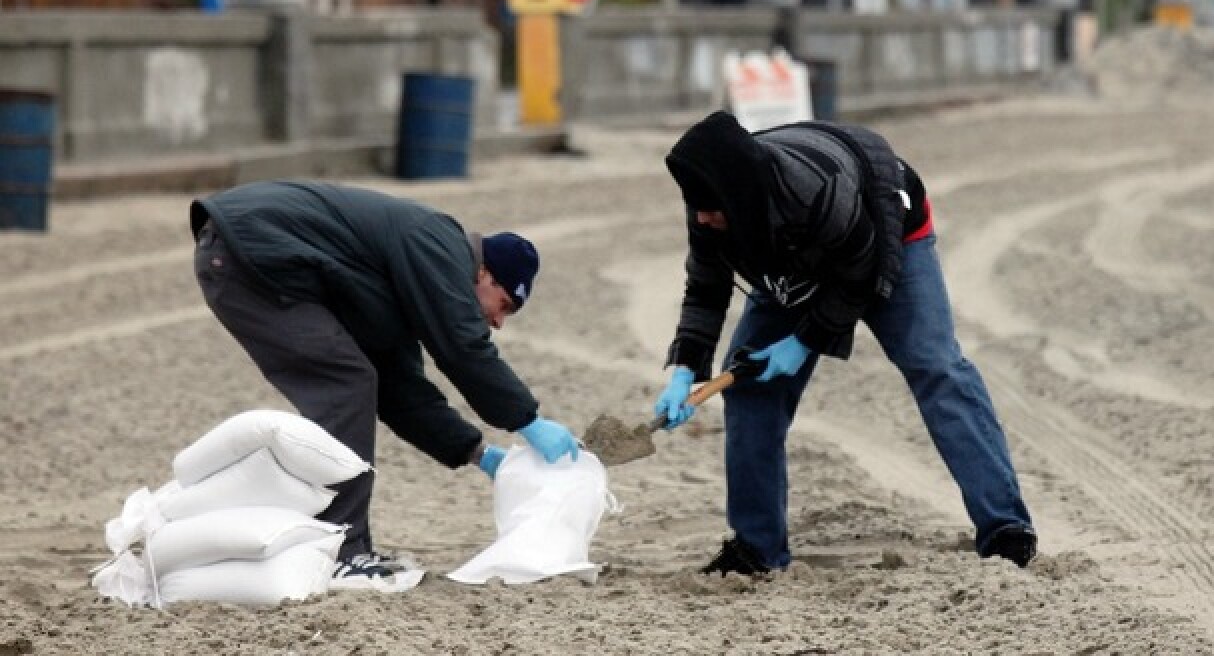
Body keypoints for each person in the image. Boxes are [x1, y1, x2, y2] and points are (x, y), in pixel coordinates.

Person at [653, 111, 1036, 576]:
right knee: (750, 387)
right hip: (796, 256)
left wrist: (802, 341)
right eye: (696, 207)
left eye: (711, 209)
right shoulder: (712, 199)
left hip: (884, 233)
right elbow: (706, 289)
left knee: (935, 366)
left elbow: (862, 277)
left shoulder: (816, 187)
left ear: (739, 196)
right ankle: (757, 549)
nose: (701, 217)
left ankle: (1005, 529)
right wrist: (685, 369)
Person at [190, 180, 579, 591]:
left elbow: (401, 392)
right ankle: (341, 552)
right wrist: (527, 420)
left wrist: (478, 453)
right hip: (250, 251)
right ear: (483, 272)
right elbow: (463, 346)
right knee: (345, 383)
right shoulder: (439, 244)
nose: (498, 323)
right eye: (504, 306)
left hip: (255, 254)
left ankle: (337, 545)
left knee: (359, 379)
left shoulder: (400, 286)